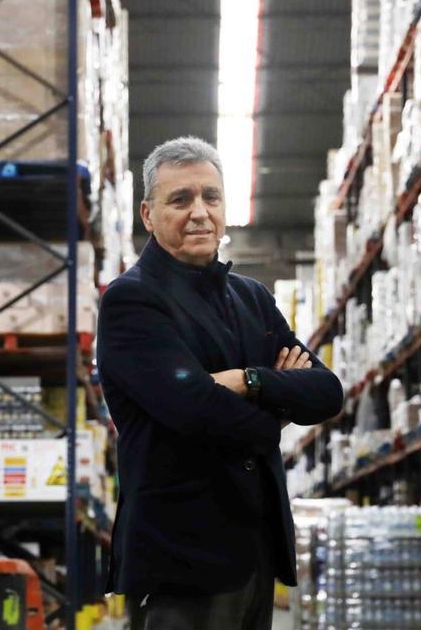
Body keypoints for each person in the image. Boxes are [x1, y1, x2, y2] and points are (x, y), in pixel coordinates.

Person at [98, 136, 344, 630]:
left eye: (210, 197)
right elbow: (193, 408)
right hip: (181, 560)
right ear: (148, 215)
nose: (199, 212)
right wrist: (277, 408)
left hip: (255, 551)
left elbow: (326, 392)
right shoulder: (132, 300)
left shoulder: (251, 298)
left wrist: (248, 380)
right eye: (180, 199)